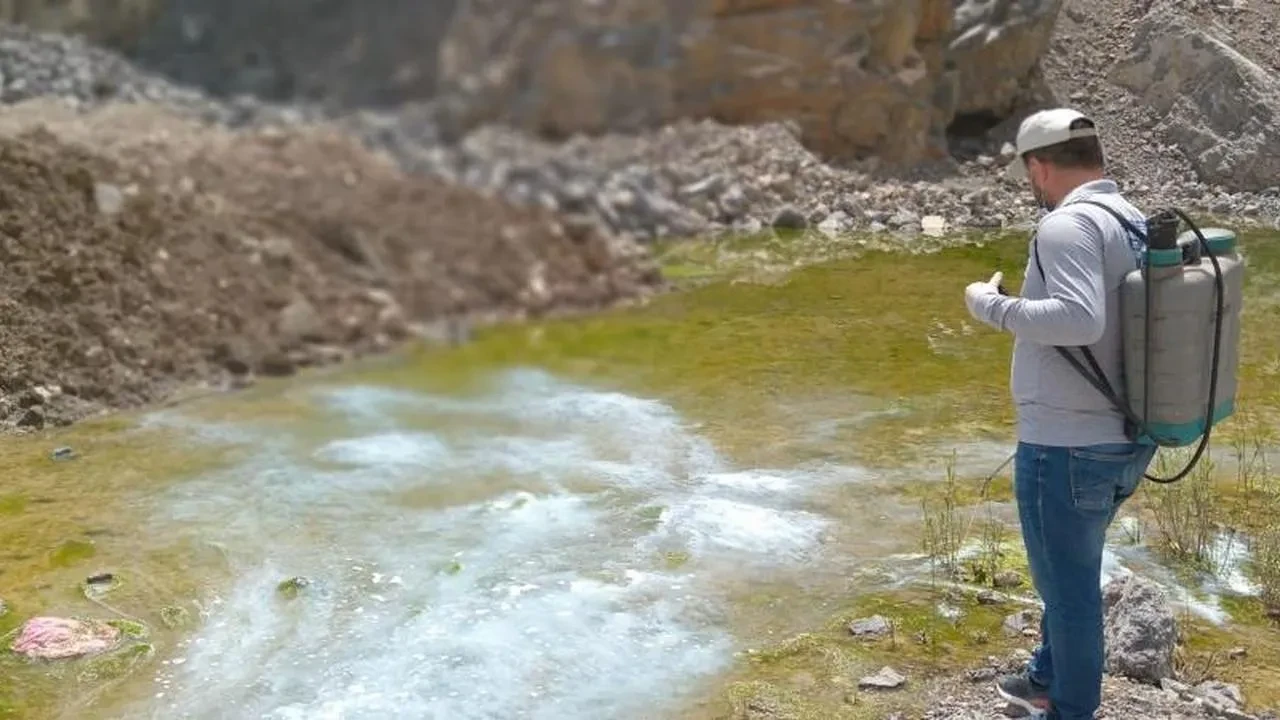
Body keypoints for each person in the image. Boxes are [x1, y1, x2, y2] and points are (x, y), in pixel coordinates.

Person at [961, 108, 1159, 719]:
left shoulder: (1066, 226)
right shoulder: (1131, 221)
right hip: (1124, 435)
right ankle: (1046, 673)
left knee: (1067, 589)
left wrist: (992, 305)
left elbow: (1079, 318)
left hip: (1068, 445)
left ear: (1039, 166)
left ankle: (1069, 707)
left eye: (1028, 172)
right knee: (1069, 569)